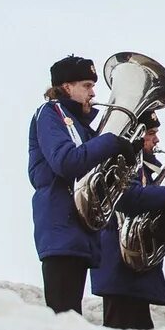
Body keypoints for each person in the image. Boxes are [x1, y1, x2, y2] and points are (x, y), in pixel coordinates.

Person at [28, 54, 141, 315]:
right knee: (64, 318)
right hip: (61, 228)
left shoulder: (82, 127)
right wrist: (111, 141)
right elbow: (66, 162)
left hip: (78, 233)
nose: (93, 93)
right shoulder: (51, 113)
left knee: (71, 318)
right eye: (87, 86)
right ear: (67, 87)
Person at [91, 110, 165, 329]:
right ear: (137, 133)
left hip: (135, 270)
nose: (157, 140)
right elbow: (127, 196)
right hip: (119, 266)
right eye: (151, 133)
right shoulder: (121, 162)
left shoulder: (147, 168)